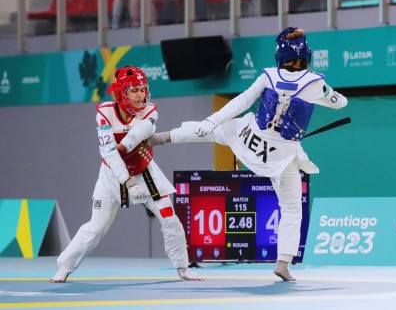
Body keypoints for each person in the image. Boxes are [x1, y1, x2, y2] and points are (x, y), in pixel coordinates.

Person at [147, 27, 348, 281]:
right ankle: (283, 263)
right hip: (280, 155)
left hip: (249, 137)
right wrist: (325, 95)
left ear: (279, 54)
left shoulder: (268, 76)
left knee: (215, 132)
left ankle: (162, 137)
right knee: (292, 210)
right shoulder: (315, 83)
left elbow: (241, 101)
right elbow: (341, 103)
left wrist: (211, 120)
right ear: (307, 54)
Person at [50, 65, 203, 283]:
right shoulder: (104, 113)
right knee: (96, 227)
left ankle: (182, 268)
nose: (140, 94)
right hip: (111, 175)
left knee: (170, 219)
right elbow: (108, 154)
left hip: (145, 173)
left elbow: (143, 131)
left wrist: (126, 146)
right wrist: (128, 183)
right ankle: (64, 267)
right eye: (134, 90)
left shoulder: (150, 111)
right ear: (121, 93)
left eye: (143, 89)